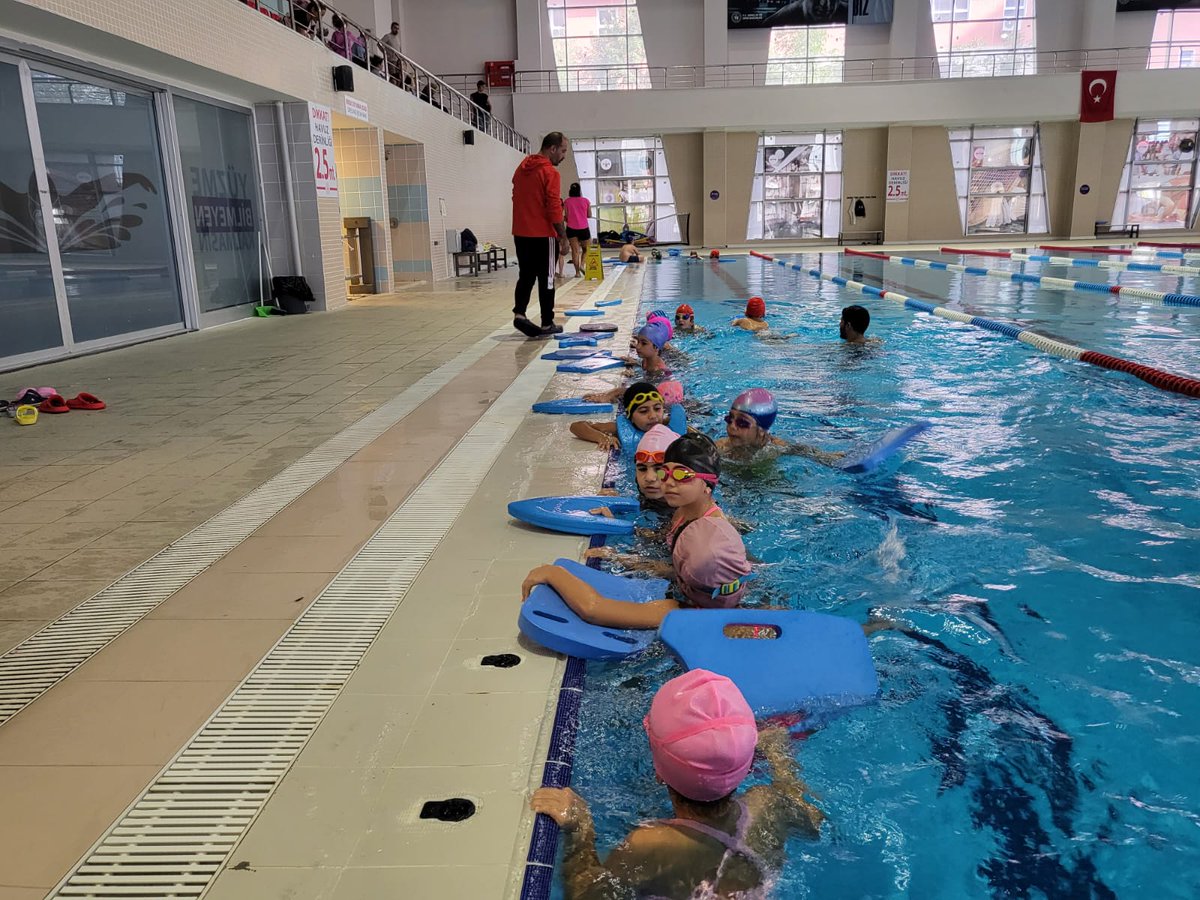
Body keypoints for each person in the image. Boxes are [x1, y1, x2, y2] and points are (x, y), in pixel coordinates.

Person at [530, 670, 823, 900]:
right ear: (746, 768)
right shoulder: (769, 805)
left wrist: (581, 829)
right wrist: (782, 762)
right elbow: (814, 825)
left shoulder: (652, 844)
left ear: (659, 772)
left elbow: (588, 897)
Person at [522, 434, 754, 628]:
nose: (668, 483)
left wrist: (552, 573)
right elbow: (670, 554)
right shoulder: (684, 508)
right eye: (666, 472)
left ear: (708, 484)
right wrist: (623, 541)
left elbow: (593, 610)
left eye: (683, 475)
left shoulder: (681, 609)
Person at [512, 132, 570, 337]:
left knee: (526, 275)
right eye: (562, 151)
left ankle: (520, 313)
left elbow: (516, 197)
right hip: (543, 234)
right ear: (552, 149)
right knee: (547, 278)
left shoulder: (521, 168)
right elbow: (553, 206)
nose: (563, 156)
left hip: (521, 232)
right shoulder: (550, 173)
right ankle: (547, 322)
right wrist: (563, 236)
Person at [716, 388, 844, 465]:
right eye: (729, 419)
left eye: (742, 423)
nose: (732, 426)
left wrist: (830, 457)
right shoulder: (720, 448)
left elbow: (805, 451)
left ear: (761, 431)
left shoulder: (775, 447)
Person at [570, 383, 666, 451]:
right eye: (643, 411)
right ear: (630, 416)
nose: (653, 416)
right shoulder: (620, 429)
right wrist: (602, 438)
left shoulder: (668, 423)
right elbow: (576, 426)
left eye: (657, 408)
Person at [564, 183, 591, 277]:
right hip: (583, 228)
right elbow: (589, 215)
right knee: (587, 249)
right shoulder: (586, 201)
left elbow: (566, 216)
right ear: (580, 191)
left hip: (571, 228)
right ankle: (582, 265)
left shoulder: (567, 201)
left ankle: (577, 273)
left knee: (575, 251)